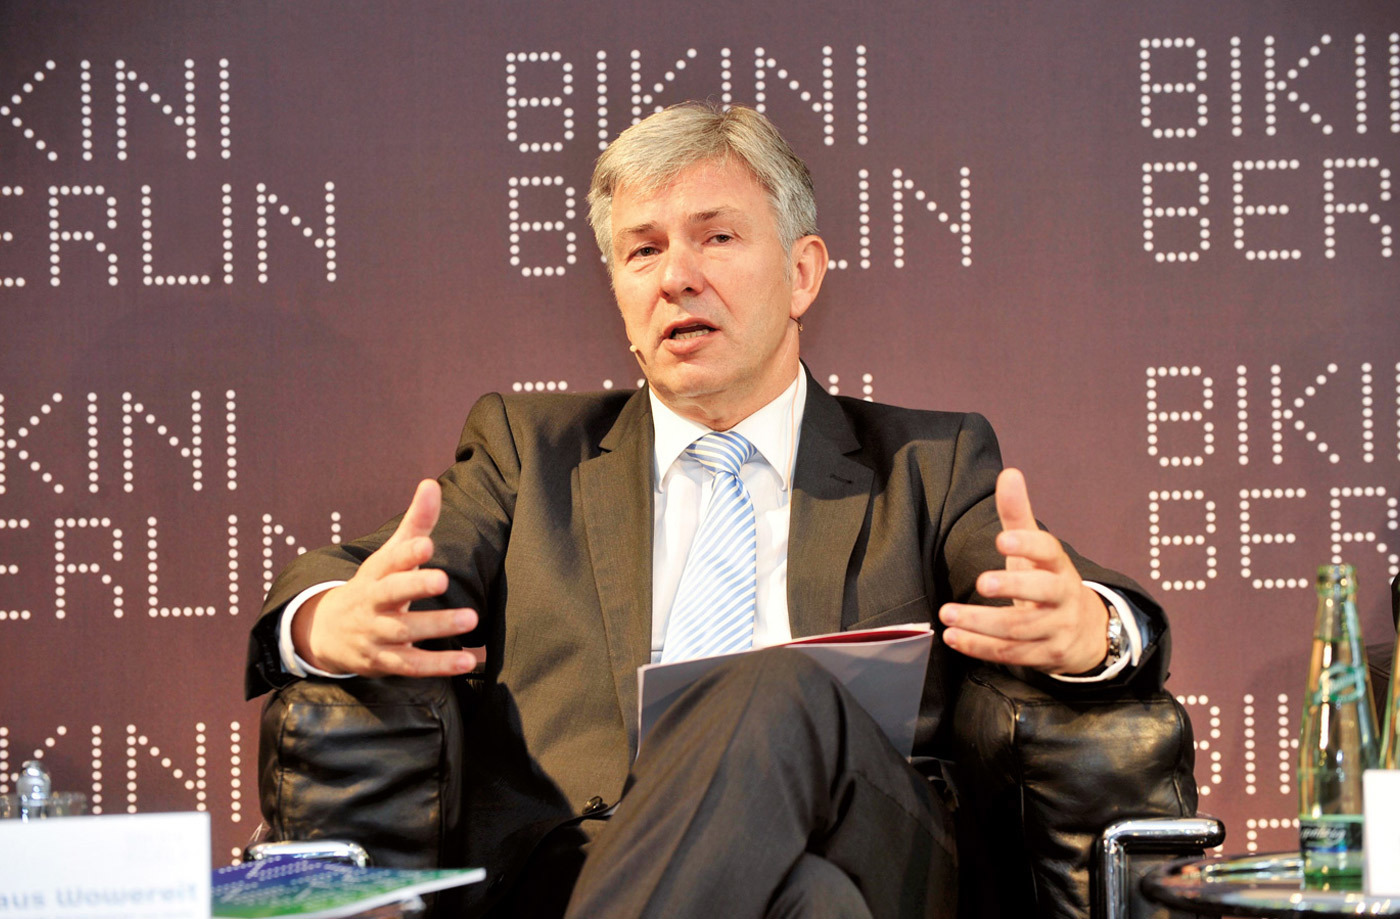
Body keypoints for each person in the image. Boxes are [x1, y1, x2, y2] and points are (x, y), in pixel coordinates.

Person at [246, 101, 1168, 919]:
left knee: (779, 687)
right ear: (619, 293)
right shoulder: (529, 452)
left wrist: (1092, 630)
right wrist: (327, 623)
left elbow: (1061, 592)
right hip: (590, 870)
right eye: (643, 249)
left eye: (716, 238)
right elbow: (359, 580)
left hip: (875, 848)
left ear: (802, 273)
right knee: (810, 903)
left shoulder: (929, 460)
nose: (675, 277)